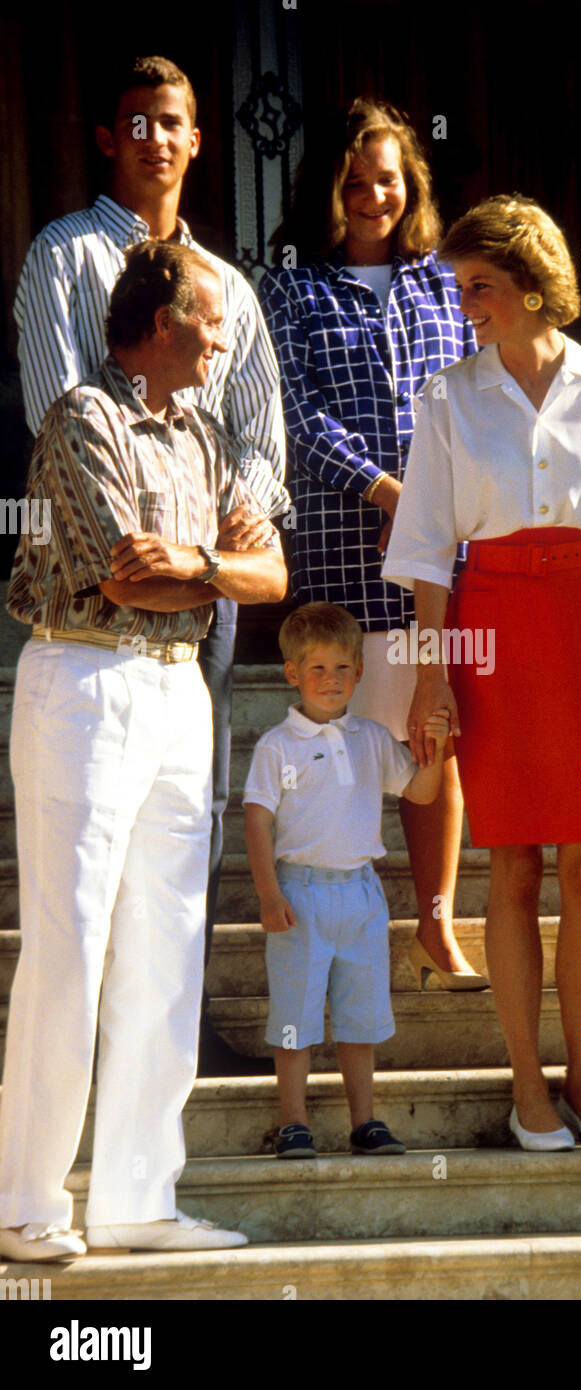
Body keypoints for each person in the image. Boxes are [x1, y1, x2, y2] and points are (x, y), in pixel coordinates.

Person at [383, 194, 581, 1150]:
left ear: (529, 283)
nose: (464, 303)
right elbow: (430, 550)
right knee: (513, 863)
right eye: (459, 286)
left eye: (478, 286)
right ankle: (528, 1086)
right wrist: (432, 675)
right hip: (491, 627)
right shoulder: (446, 397)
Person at [0, 241, 288, 1262]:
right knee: (71, 942)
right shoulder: (83, 417)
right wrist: (219, 572)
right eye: (211, 319)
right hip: (84, 681)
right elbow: (123, 579)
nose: (223, 337)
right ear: (161, 318)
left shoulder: (206, 438)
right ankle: (29, 1201)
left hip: (179, 692)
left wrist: (203, 564)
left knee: (166, 947)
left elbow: (273, 572)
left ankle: (136, 1198)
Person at [13, 54, 289, 1075]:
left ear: (197, 138)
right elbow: (65, 406)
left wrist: (222, 537)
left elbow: (259, 434)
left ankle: (173, 1027)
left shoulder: (234, 291)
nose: (156, 140)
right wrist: (157, 521)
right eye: (137, 123)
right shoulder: (64, 256)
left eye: (173, 122)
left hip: (200, 589)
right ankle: (77, 1063)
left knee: (183, 827)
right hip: (102, 588)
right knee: (91, 855)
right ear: (108, 138)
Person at [258, 99, 486, 992]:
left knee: (435, 735)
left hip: (440, 558)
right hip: (345, 556)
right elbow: (291, 413)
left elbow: (471, 399)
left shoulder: (444, 285)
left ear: (409, 186)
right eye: (354, 182)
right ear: (330, 190)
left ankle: (435, 921)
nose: (371, 196)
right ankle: (330, 915)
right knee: (344, 737)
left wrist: (433, 500)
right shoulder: (290, 289)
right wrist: (384, 488)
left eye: (386, 179)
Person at [243, 602, 450, 1157]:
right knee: (297, 1015)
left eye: (342, 668)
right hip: (300, 895)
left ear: (360, 671)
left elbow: (422, 792)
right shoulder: (276, 747)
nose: (331, 681)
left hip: (361, 894)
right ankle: (294, 1122)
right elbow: (257, 820)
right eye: (317, 669)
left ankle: (366, 1121)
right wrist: (268, 893)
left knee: (360, 1016)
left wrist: (438, 745)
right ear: (292, 673)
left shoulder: (371, 737)